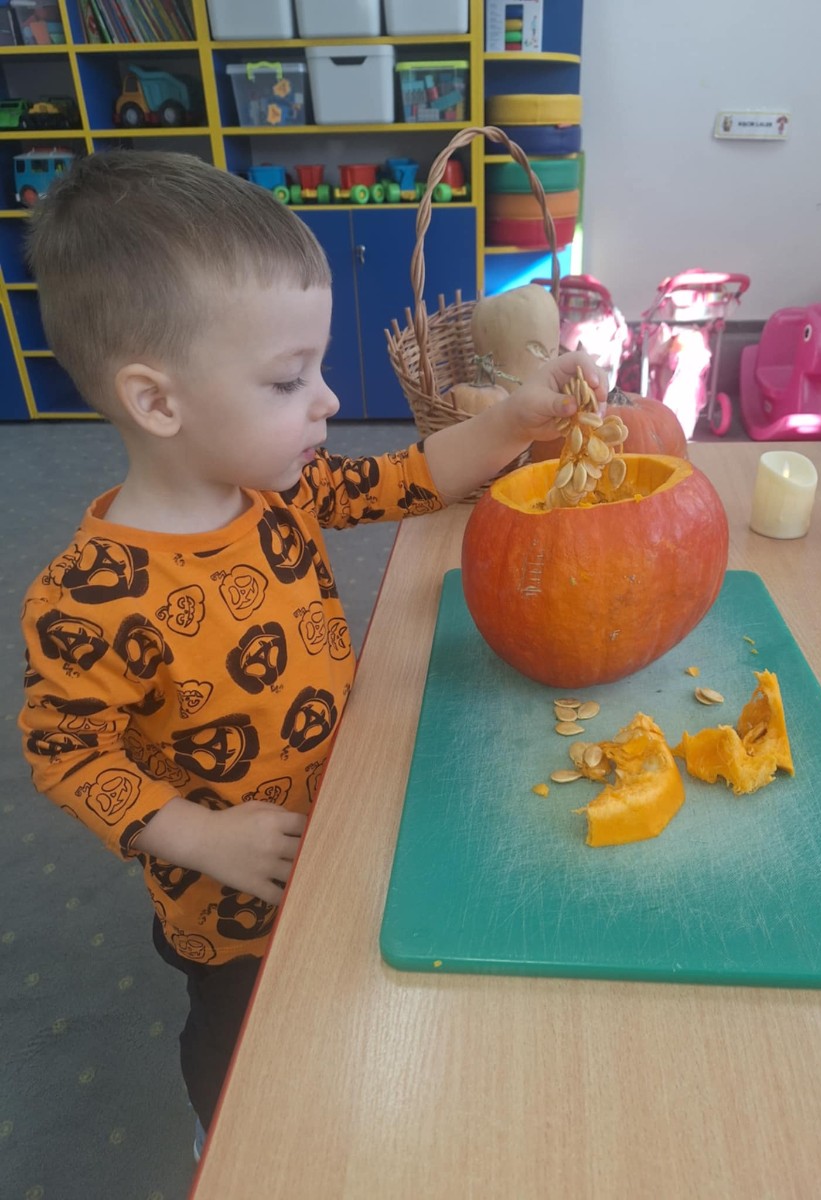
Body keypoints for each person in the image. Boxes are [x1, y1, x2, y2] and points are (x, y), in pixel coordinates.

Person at [17, 150, 603, 1153]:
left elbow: (414, 477)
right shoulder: (88, 599)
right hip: (231, 901)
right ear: (158, 402)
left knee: (345, 982)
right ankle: (228, 1143)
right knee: (243, 1042)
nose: (328, 400)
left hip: (338, 814)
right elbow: (65, 755)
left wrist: (516, 418)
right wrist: (196, 838)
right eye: (290, 379)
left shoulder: (278, 491)